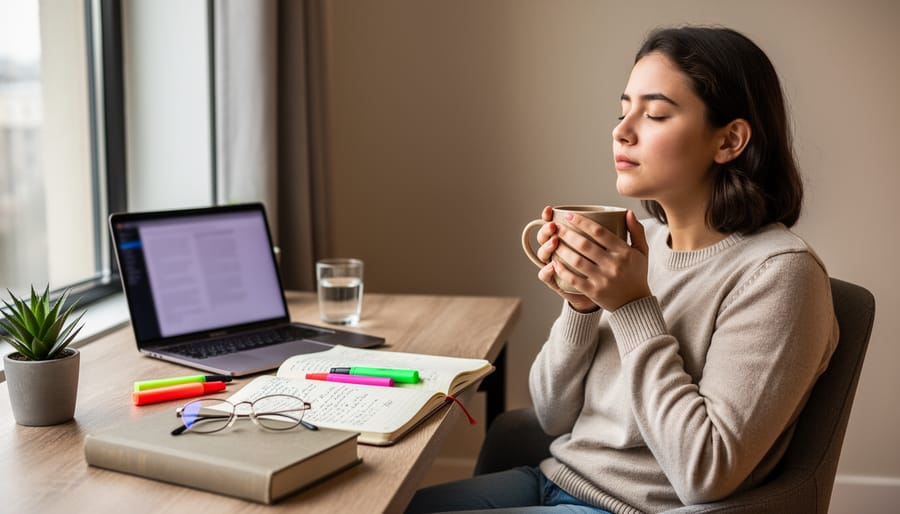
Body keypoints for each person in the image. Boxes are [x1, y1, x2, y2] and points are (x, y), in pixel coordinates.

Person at [405, 25, 839, 514]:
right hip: (554, 478)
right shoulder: (641, 245)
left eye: (654, 114)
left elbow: (706, 472)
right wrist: (582, 306)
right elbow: (552, 415)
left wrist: (633, 307)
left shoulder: (779, 275)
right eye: (623, 109)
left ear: (730, 139)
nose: (622, 129)